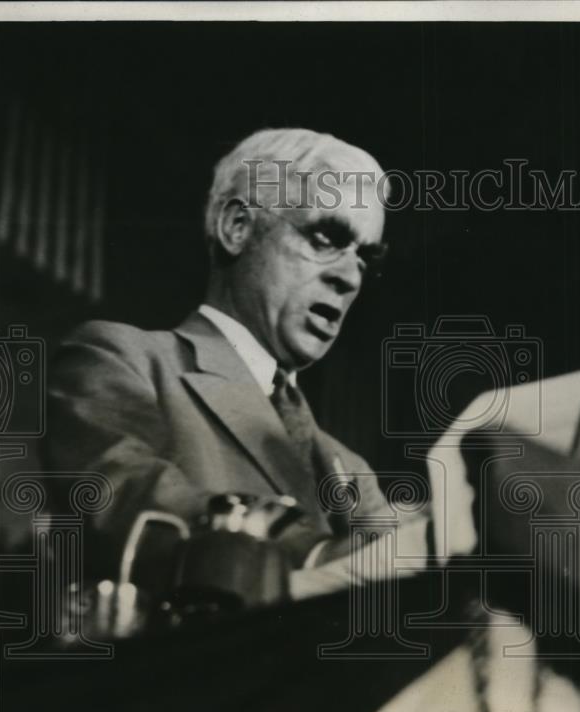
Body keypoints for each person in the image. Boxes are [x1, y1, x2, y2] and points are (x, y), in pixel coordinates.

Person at [44, 128, 405, 597]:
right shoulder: (120, 359)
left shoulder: (350, 468)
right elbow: (126, 498)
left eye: (365, 258)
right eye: (325, 238)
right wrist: (316, 557)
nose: (348, 276)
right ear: (237, 227)